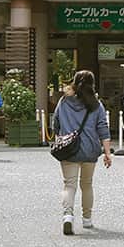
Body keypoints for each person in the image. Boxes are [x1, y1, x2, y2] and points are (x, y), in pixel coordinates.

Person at [51, 70, 113, 235]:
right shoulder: (96, 104)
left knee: (69, 184)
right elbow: (103, 128)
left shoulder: (64, 101)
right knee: (86, 185)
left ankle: (68, 216)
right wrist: (107, 153)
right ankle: (87, 219)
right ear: (92, 85)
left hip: (69, 149)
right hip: (90, 149)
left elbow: (55, 123)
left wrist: (61, 137)